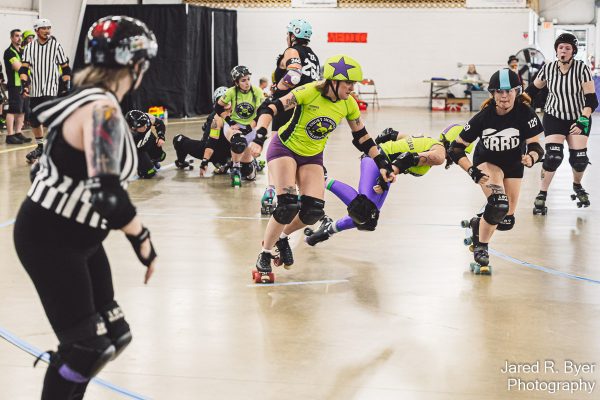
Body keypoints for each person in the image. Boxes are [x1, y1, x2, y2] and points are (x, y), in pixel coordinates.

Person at [13, 16, 158, 399]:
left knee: (113, 335)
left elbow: (48, 170)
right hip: (50, 240)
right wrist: (142, 241)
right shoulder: (101, 109)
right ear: (134, 65)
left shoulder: (90, 99)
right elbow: (107, 194)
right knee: (86, 348)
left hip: (79, 237)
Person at [247, 54, 395, 283]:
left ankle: (282, 238)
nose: (352, 88)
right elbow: (270, 108)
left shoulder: (348, 103)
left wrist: (382, 163)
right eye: (348, 83)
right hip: (284, 148)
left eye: (354, 84)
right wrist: (259, 137)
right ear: (333, 81)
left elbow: (362, 137)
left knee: (313, 211)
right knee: (287, 205)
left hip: (312, 156)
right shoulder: (309, 91)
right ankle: (264, 254)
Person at [305, 124, 473, 245]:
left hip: (383, 164)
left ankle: (329, 228)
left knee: (368, 220)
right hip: (379, 163)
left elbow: (389, 134)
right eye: (462, 152)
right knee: (364, 209)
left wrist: (380, 157)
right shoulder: (439, 155)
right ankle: (322, 178)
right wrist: (384, 175)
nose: (460, 158)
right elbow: (407, 159)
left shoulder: (429, 141)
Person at [447, 69, 544, 274]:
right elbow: (455, 149)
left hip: (514, 165)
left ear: (517, 91)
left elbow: (536, 146)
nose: (504, 96)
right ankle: (481, 246)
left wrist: (531, 157)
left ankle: (478, 223)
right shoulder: (484, 117)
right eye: (499, 91)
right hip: (487, 162)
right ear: (492, 93)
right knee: (499, 204)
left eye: (509, 91)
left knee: (506, 220)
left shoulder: (525, 112)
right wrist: (471, 170)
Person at [526, 33, 597, 214]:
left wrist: (582, 121)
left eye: (567, 48)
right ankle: (542, 193)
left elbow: (591, 100)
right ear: (556, 50)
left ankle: (577, 185)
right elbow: (532, 90)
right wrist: (517, 103)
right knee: (553, 157)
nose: (563, 51)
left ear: (573, 51)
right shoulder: (548, 68)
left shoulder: (582, 69)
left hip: (578, 117)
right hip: (554, 116)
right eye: (560, 47)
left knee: (579, 159)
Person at [260, 19, 321, 215]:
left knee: (276, 148)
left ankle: (272, 190)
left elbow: (293, 76)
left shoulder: (292, 51)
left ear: (293, 35)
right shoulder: (313, 56)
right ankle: (303, 194)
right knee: (297, 149)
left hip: (287, 104)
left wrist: (276, 89)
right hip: (306, 106)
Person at [20, 18, 71, 163]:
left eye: (49, 28)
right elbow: (24, 68)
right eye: (44, 28)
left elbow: (65, 67)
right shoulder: (29, 48)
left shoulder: (56, 45)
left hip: (51, 88)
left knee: (50, 117)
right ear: (37, 31)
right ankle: (41, 147)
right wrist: (24, 84)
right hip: (36, 88)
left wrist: (65, 86)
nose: (47, 31)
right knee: (34, 119)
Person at [214, 65, 264, 187]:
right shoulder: (231, 92)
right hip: (234, 126)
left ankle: (250, 166)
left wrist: (249, 127)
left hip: (251, 126)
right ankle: (235, 168)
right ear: (236, 82)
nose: (247, 83)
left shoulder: (257, 91)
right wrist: (230, 121)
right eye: (243, 80)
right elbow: (218, 107)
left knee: (247, 171)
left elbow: (262, 112)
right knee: (238, 142)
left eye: (248, 79)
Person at [173, 86, 232, 174]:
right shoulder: (238, 113)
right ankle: (229, 161)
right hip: (233, 151)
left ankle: (181, 162)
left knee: (178, 139)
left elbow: (207, 142)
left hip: (215, 152)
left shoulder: (214, 116)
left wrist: (205, 161)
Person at [3, 29, 32, 144]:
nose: (19, 38)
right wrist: (27, 67)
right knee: (13, 110)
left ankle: (18, 133)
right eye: (16, 36)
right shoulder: (9, 52)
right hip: (15, 85)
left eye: (20, 36)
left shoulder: (23, 51)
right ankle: (10, 135)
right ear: (11, 38)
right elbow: (19, 68)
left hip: (25, 84)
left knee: (22, 110)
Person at [125, 110, 167, 179]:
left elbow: (160, 123)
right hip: (139, 151)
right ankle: (143, 168)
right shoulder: (125, 134)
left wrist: (161, 136)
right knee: (150, 173)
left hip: (149, 140)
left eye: (145, 123)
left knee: (162, 156)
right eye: (142, 126)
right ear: (133, 128)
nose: (145, 127)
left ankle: (152, 161)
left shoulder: (148, 118)